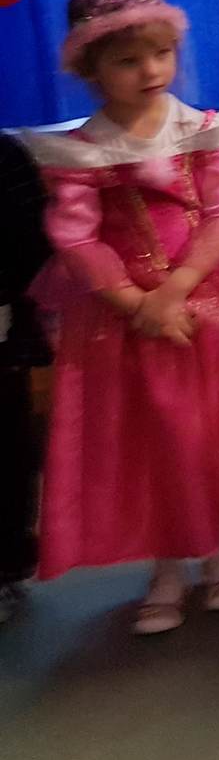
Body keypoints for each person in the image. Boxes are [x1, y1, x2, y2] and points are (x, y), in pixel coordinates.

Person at [24, 0, 219, 635]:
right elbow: (76, 237)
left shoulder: (201, 130)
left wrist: (174, 292)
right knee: (152, 442)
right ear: (91, 68)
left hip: (206, 304)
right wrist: (134, 303)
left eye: (161, 53)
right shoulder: (83, 152)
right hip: (122, 320)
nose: (150, 70)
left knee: (209, 431)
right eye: (128, 60)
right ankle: (167, 568)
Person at [0, 130, 52, 625]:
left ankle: (6, 564)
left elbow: (33, 246)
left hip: (1, 330)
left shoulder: (6, 157)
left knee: (8, 449)